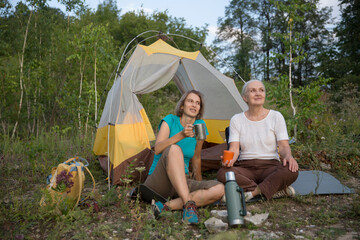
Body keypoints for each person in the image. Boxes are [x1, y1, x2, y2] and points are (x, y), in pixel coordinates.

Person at [144, 90, 224, 224]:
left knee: (219, 189)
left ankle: (164, 206)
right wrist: (181, 135)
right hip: (159, 181)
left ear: (199, 109)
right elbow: (157, 148)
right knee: (174, 149)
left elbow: (196, 157)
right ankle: (188, 204)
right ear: (182, 106)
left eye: (197, 103)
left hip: (182, 181)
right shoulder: (170, 120)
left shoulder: (200, 126)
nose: (194, 105)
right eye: (190, 101)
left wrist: (199, 182)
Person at [216, 80, 299, 202]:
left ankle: (251, 193)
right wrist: (229, 161)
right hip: (245, 167)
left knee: (291, 170)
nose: (258, 93)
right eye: (252, 90)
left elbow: (283, 146)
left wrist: (289, 156)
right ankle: (273, 190)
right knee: (223, 173)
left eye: (261, 90)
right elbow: (234, 149)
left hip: (270, 166)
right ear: (245, 97)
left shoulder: (276, 116)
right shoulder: (237, 119)